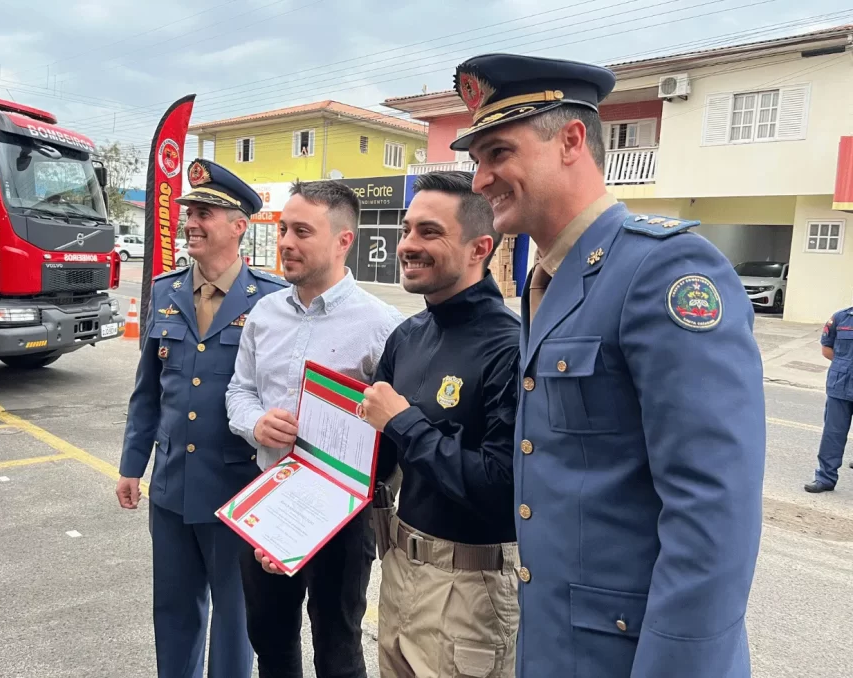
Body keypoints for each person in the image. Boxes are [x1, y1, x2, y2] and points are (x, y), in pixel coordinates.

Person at [451, 53, 766, 677]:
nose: (480, 180)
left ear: (571, 140)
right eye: (475, 160)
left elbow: (712, 513)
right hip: (560, 647)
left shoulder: (665, 271)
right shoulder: (550, 278)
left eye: (498, 153)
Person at [225, 179, 404, 678]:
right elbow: (238, 391)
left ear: (343, 241)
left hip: (342, 514)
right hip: (268, 499)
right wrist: (255, 423)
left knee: (338, 643)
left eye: (302, 231)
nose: (285, 242)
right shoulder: (263, 314)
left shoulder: (381, 325)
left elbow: (394, 423)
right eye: (283, 229)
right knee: (270, 639)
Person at [116, 159, 287, 678]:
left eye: (205, 211)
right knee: (172, 612)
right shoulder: (165, 292)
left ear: (239, 225)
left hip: (236, 490)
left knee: (234, 621)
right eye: (189, 210)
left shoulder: (272, 300)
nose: (191, 220)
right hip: (170, 488)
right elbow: (148, 392)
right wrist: (132, 465)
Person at [358, 170, 521, 678]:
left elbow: (501, 485)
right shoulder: (407, 336)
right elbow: (372, 461)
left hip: (472, 590)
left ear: (479, 248)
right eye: (406, 230)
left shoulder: (510, 348)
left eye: (429, 232)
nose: (408, 245)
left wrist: (403, 422)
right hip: (400, 569)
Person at [804, 303, 853, 493]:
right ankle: (825, 478)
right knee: (833, 434)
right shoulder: (840, 318)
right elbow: (827, 349)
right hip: (840, 386)